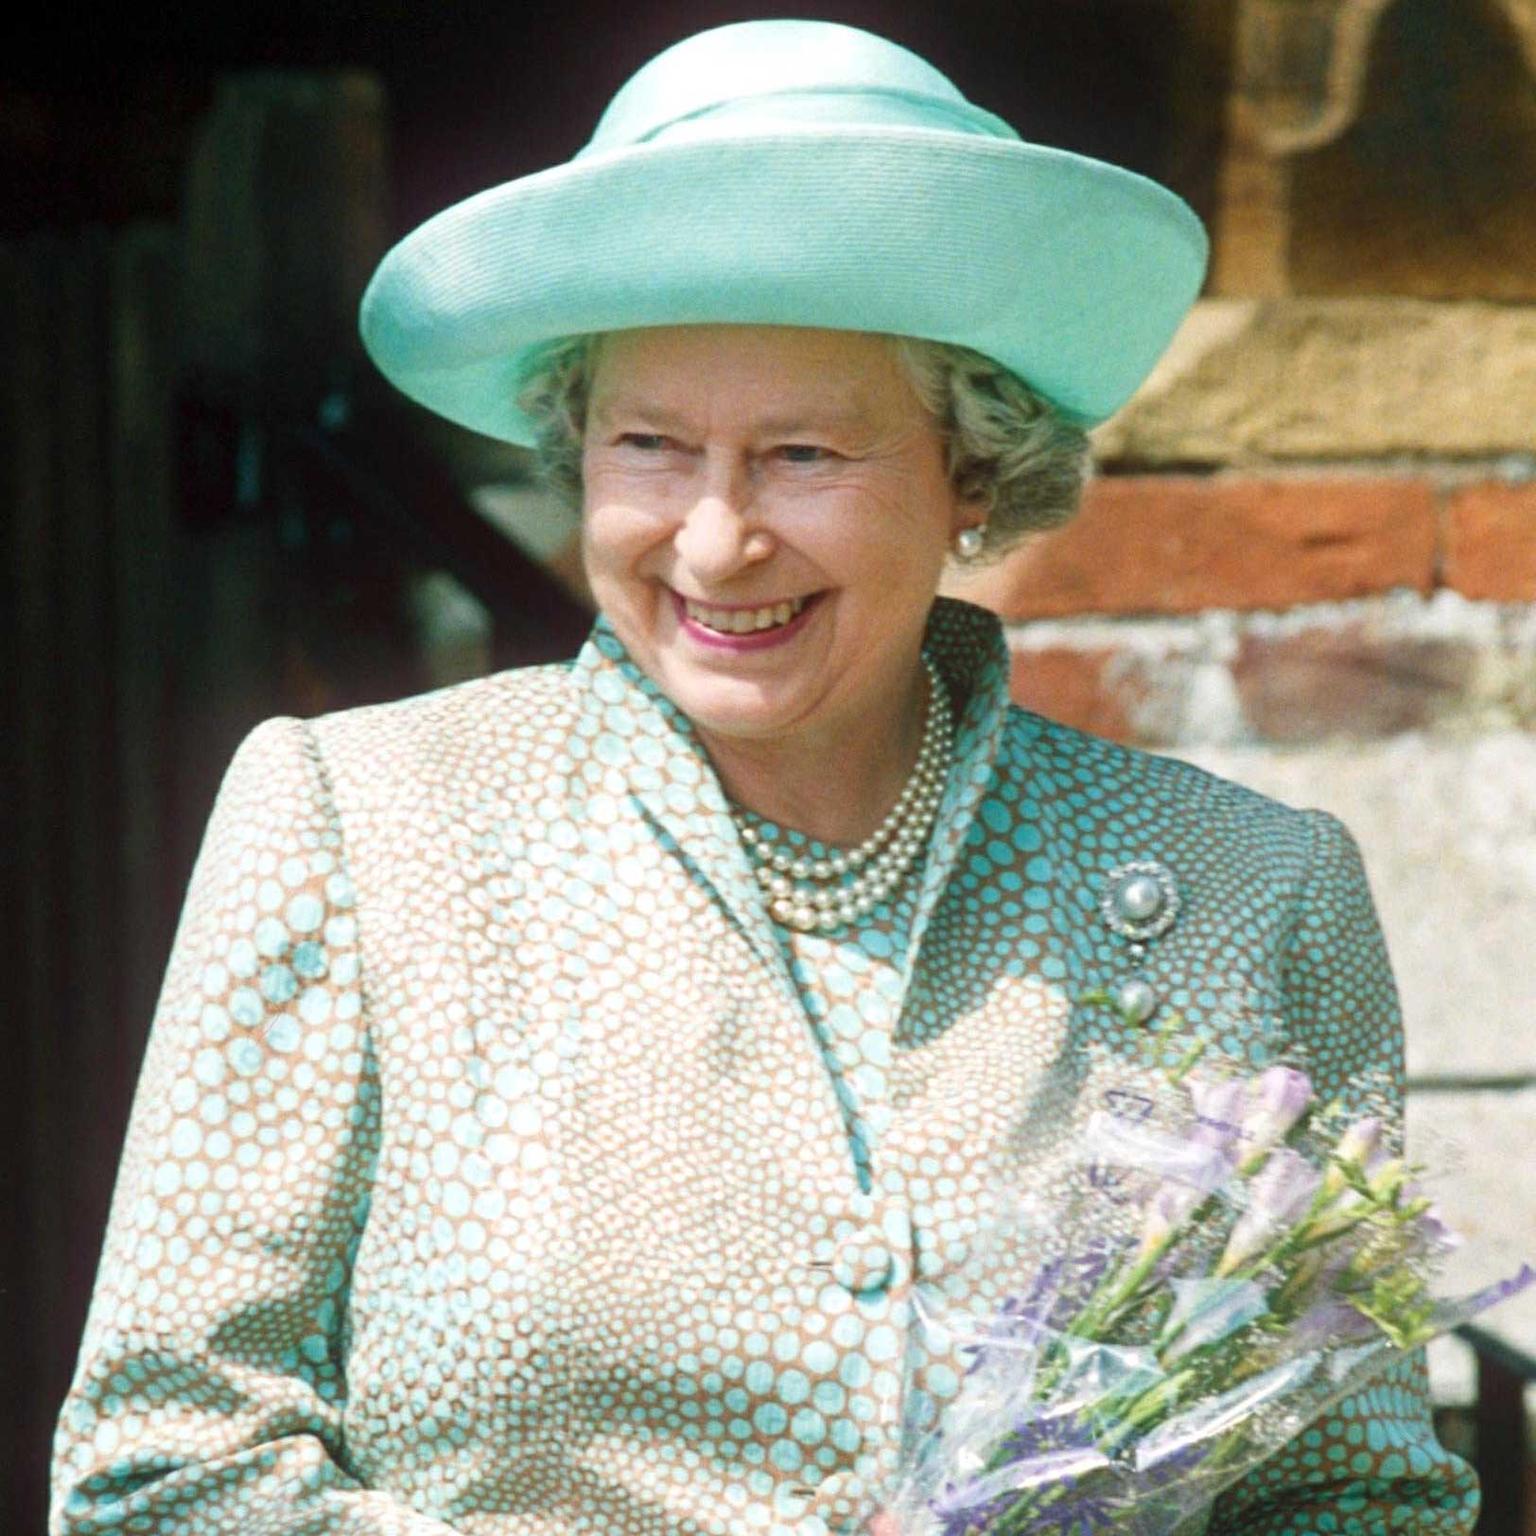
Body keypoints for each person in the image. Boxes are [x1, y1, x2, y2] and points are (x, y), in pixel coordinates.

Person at [51, 19, 1478, 1536]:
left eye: (805, 455)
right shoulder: (361, 824)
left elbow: (1359, 1499)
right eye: (653, 445)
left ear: (971, 471)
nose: (718, 541)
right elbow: (159, 1477)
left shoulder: (1254, 894)